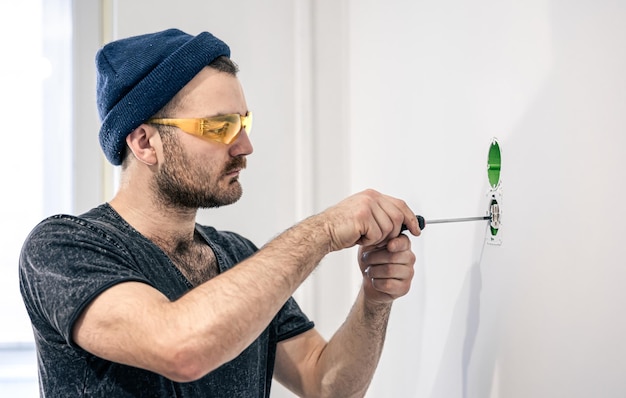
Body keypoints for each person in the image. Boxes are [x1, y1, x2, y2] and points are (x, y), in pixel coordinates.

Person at [19, 28, 421, 397]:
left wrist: (375, 298)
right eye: (218, 127)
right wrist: (324, 230)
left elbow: (324, 383)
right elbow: (180, 348)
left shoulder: (239, 258)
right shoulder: (64, 249)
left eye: (244, 123)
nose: (245, 146)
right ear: (145, 143)